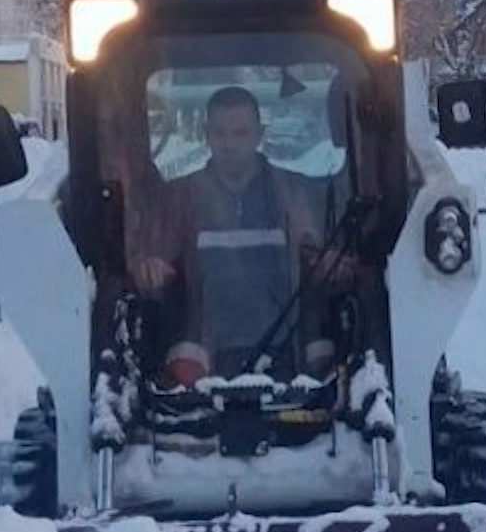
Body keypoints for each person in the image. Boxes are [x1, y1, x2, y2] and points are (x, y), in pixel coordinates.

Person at [132, 86, 352, 386]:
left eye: (240, 133)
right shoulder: (179, 198)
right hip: (201, 354)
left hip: (293, 352)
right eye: (221, 133)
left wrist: (333, 266)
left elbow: (322, 257)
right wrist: (151, 269)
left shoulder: (294, 194)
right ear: (206, 134)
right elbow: (151, 260)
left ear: (259, 135)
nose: (229, 144)